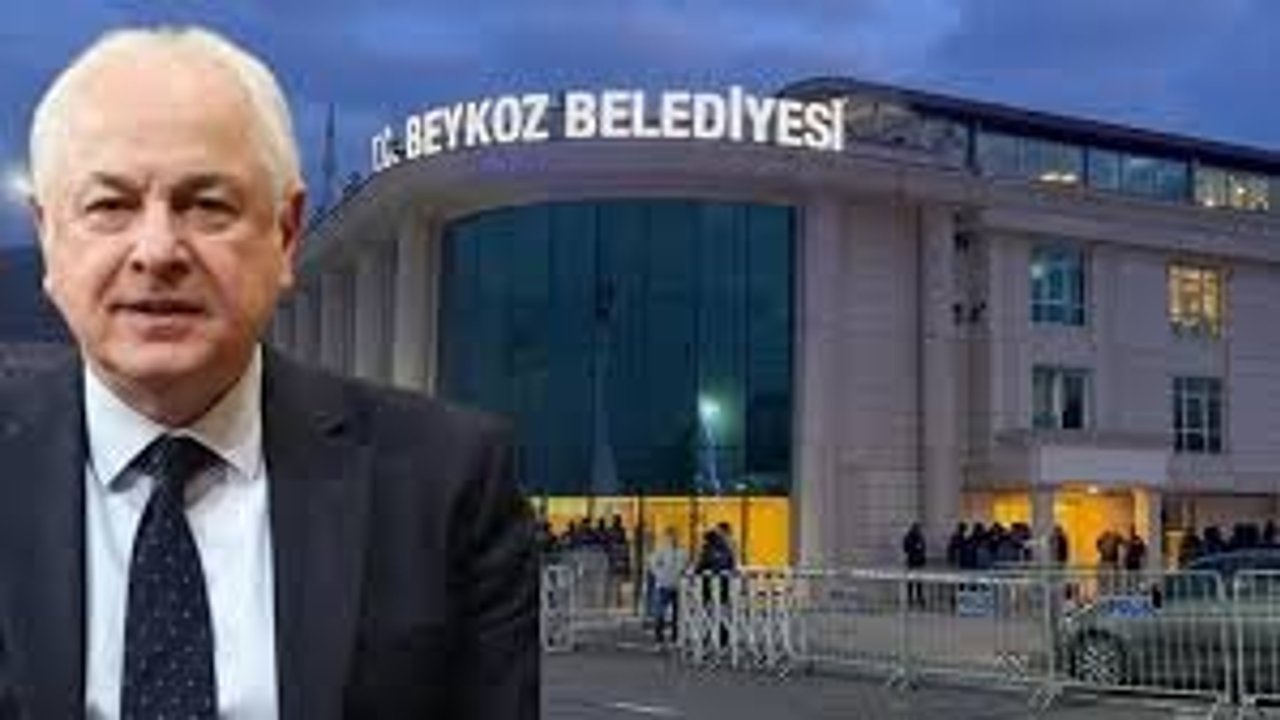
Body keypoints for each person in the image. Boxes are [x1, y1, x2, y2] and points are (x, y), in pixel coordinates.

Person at [0, 26, 538, 719]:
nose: (157, 250)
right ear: (49, 238)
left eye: (207, 206)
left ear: (285, 234)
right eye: (110, 206)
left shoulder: (445, 481)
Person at [646, 528, 689, 644]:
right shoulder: (660, 551)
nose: (673, 539)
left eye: (675, 536)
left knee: (677, 613)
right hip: (663, 585)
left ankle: (675, 637)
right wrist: (660, 574)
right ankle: (659, 637)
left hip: (678, 586)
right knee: (660, 612)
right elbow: (652, 564)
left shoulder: (683, 552)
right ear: (666, 538)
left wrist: (683, 575)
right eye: (671, 536)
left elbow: (686, 566)